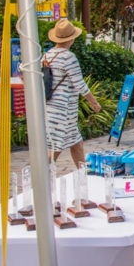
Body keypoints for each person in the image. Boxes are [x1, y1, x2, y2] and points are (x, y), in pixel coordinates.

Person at [42, 19, 103, 167]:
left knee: (77, 143)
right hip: (63, 111)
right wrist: (94, 102)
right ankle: (40, 178)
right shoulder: (69, 57)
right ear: (72, 39)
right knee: (55, 149)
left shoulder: (47, 55)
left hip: (52, 108)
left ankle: (83, 172)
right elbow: (80, 84)